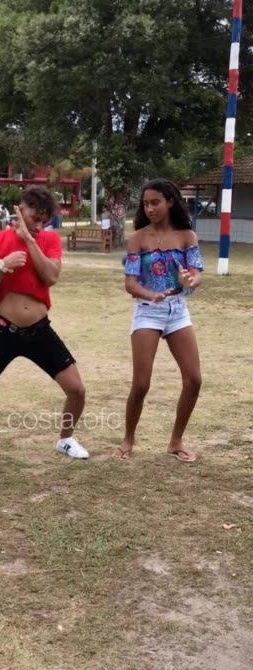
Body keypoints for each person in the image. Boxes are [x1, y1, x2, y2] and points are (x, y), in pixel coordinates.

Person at [0, 185, 89, 465]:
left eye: (44, 221)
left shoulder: (49, 240)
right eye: (34, 218)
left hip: (40, 330)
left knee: (77, 390)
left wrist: (30, 241)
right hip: (4, 331)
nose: (39, 226)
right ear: (20, 210)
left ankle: (66, 440)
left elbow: (51, 277)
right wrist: (2, 266)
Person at [112, 179, 203, 464]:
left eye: (155, 203)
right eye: (146, 204)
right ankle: (128, 439)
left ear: (170, 202)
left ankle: (176, 442)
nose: (150, 209)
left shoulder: (187, 236)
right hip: (148, 311)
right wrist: (151, 295)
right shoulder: (138, 238)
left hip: (178, 311)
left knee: (194, 379)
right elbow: (130, 283)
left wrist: (190, 280)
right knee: (141, 384)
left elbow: (196, 276)